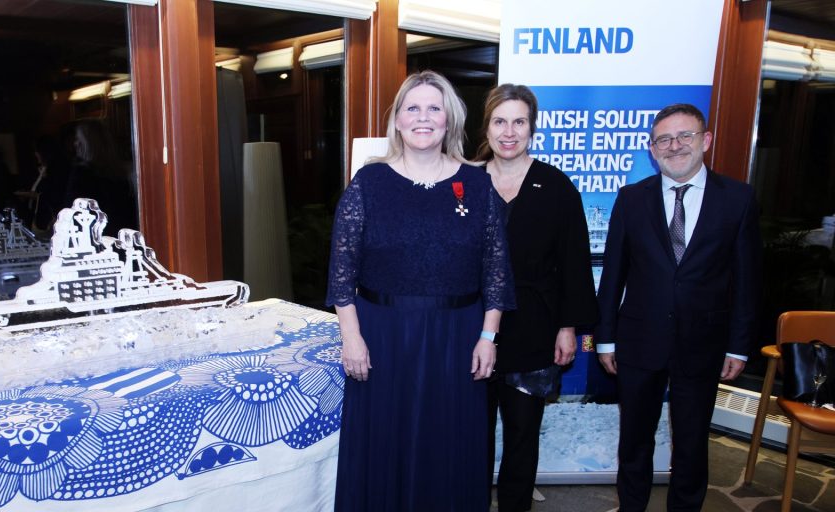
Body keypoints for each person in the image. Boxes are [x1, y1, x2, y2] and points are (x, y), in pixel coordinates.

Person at [326, 70, 515, 511]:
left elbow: (496, 271)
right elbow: (342, 272)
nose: (423, 117)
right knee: (385, 442)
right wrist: (351, 338)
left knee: (448, 445)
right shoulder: (369, 184)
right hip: (383, 338)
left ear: (449, 120)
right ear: (397, 120)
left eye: (434, 108)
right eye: (413, 108)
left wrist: (488, 337)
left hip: (458, 339)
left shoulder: (478, 185)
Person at [596, 103, 762, 511]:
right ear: (652, 150)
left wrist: (739, 346)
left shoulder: (738, 199)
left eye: (684, 136)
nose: (674, 146)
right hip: (639, 341)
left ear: (705, 140)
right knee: (634, 441)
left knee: (691, 443)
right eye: (664, 140)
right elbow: (613, 274)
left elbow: (747, 280)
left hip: (704, 343)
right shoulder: (631, 199)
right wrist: (605, 339)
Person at [477, 84, 599, 512]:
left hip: (535, 328)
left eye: (519, 121)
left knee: (523, 433)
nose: (509, 132)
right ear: (487, 127)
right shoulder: (465, 183)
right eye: (500, 121)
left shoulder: (557, 186)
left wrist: (567, 328)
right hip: (472, 330)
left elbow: (573, 262)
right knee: (470, 433)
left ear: (532, 128)